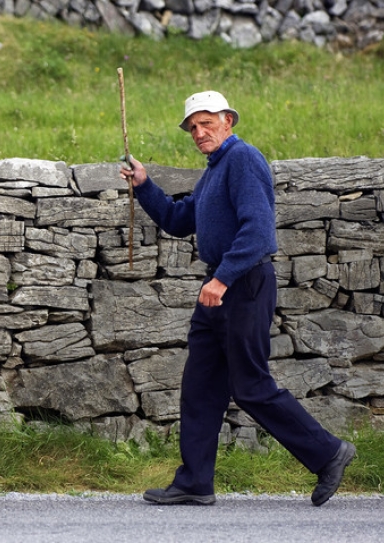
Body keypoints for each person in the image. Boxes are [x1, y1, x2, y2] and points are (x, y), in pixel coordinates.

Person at [120, 90, 355, 507]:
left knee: (250, 385)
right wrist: (145, 185)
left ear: (228, 120)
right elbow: (178, 220)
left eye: (206, 122)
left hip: (243, 284)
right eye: (193, 126)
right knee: (200, 385)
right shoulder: (214, 171)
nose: (198, 132)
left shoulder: (244, 159)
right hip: (219, 288)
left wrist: (223, 279)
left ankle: (329, 453)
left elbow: (259, 231)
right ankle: (194, 482)